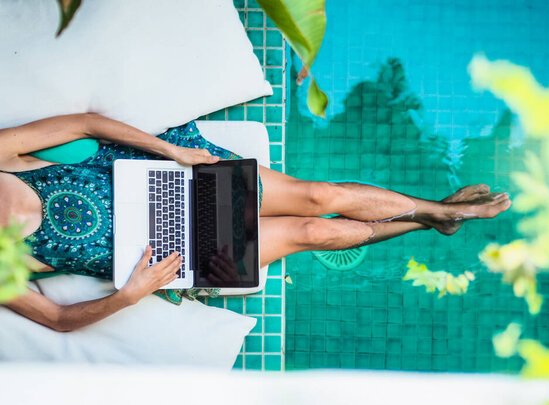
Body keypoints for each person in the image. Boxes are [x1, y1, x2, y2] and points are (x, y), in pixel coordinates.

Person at [0, 114, 511, 332]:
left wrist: (173, 150)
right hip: (176, 252)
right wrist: (129, 296)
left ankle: (443, 211)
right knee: (318, 232)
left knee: (319, 196)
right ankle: (431, 219)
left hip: (176, 179)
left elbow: (86, 124)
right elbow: (58, 320)